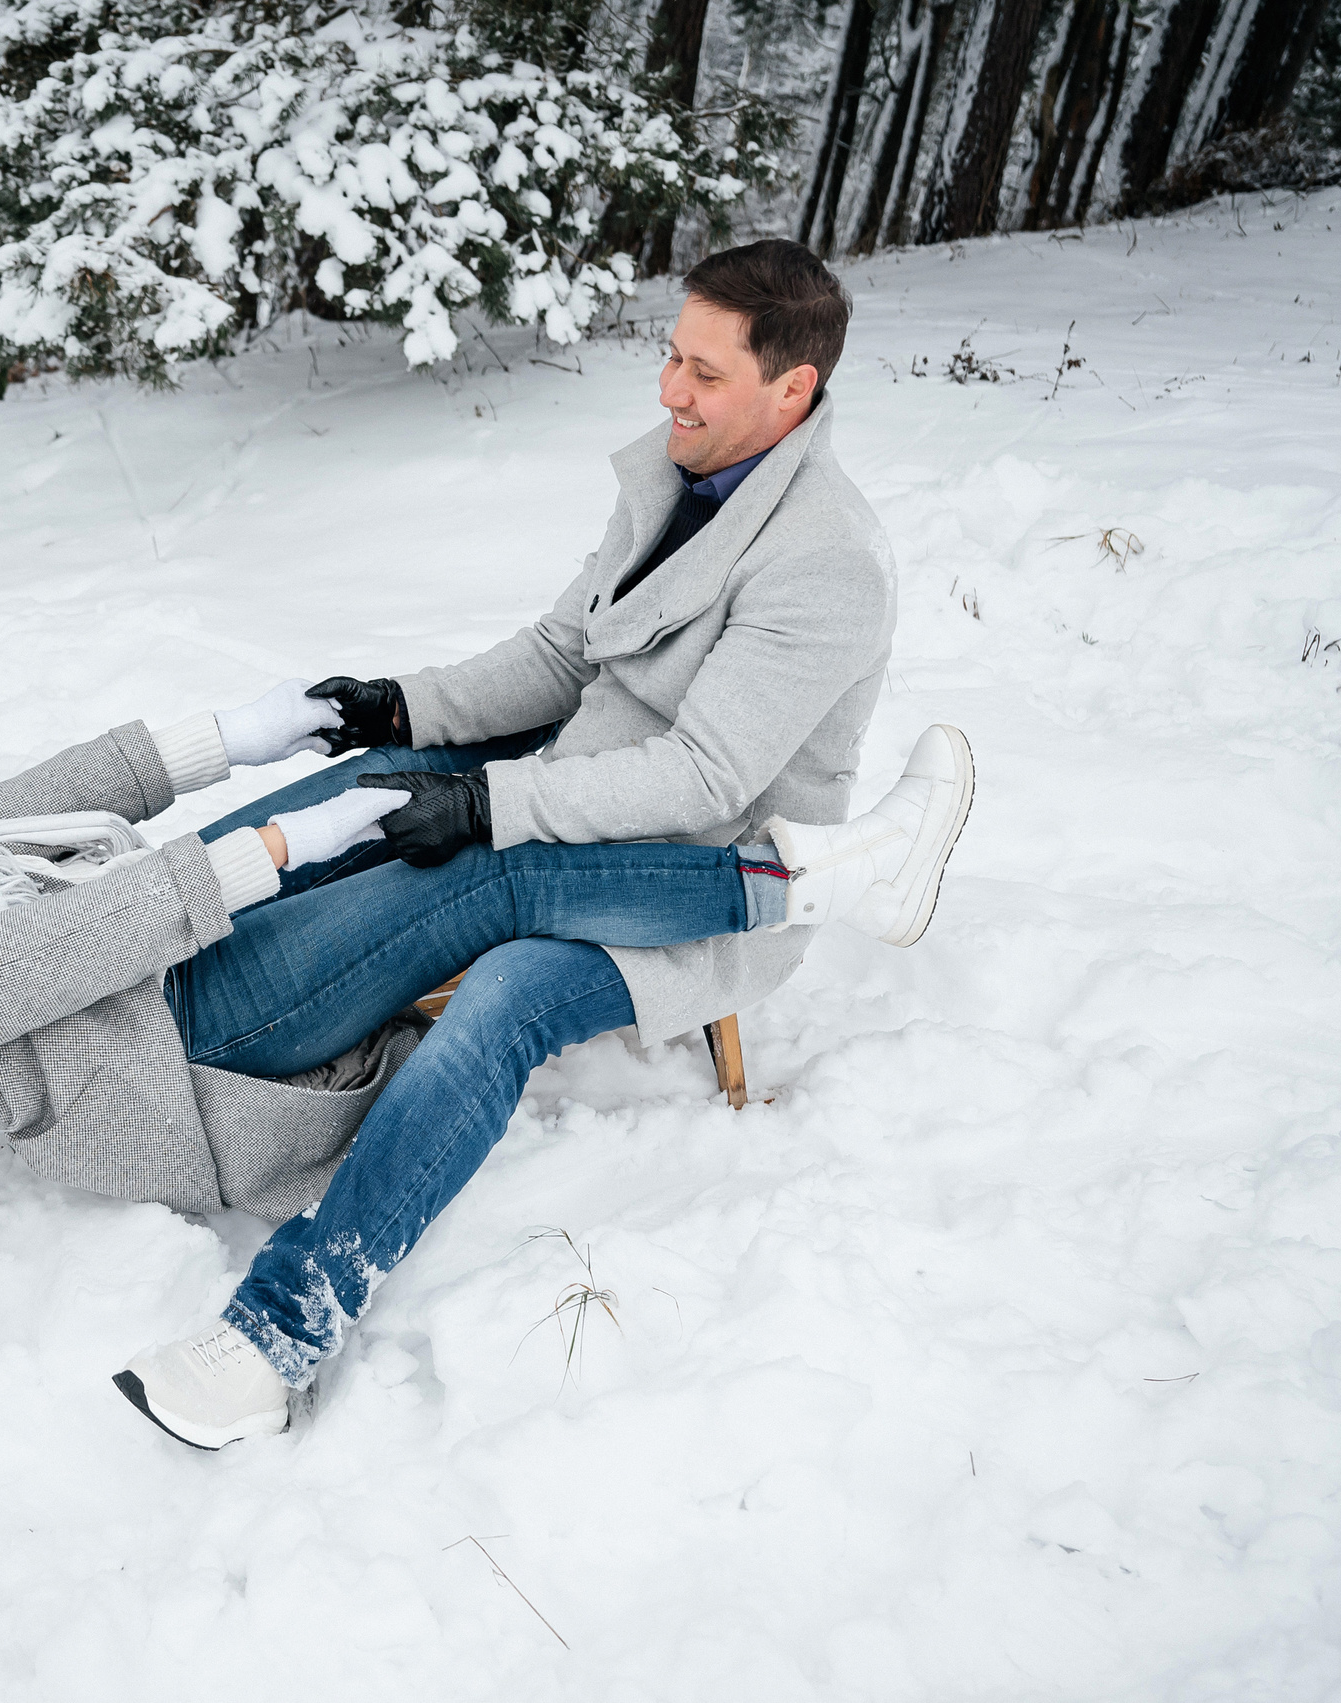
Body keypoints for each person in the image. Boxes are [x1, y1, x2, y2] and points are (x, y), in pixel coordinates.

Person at [0, 686, 968, 1370]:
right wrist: (277, 853)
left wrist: (219, 744)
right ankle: (808, 879)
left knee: (405, 761)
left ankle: (683, 803)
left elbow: (3, 808)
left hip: (167, 947)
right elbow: (60, 951)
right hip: (196, 1045)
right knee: (480, 866)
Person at [107, 238, 940, 1449]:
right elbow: (563, 656)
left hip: (705, 875)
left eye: (704, 373)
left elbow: (703, 775)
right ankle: (135, 925)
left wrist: (495, 807)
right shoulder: (680, 474)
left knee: (502, 991)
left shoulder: (825, 562)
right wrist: (401, 705)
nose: (670, 391)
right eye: (671, 356)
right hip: (576, 785)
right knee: (377, 777)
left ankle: (278, 1336)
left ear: (791, 388)